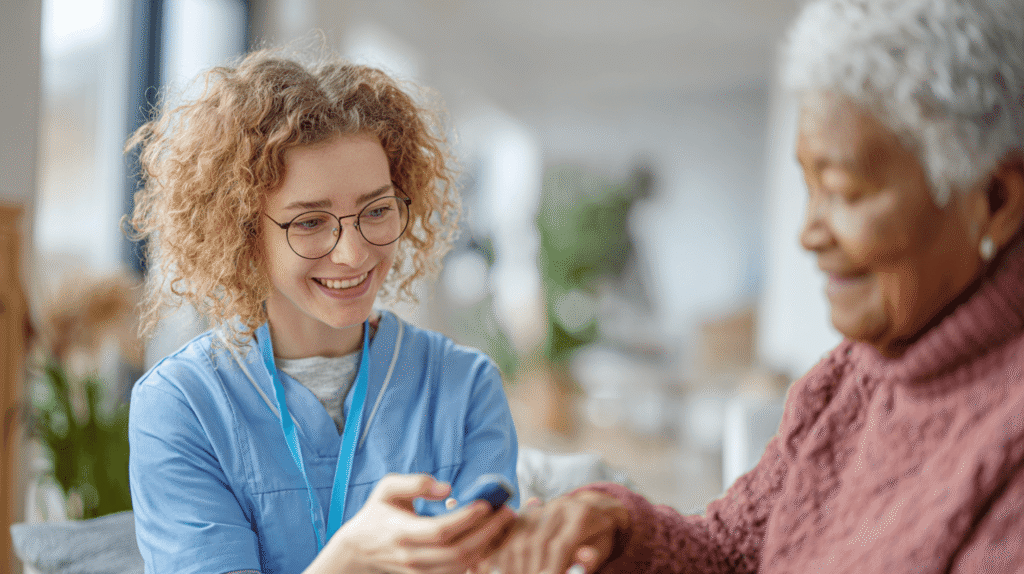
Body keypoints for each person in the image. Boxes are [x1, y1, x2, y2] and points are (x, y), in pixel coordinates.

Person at [478, 0, 1024, 572]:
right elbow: (732, 547)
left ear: (995, 200)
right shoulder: (848, 380)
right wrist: (615, 529)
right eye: (808, 186)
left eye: (844, 191)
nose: (809, 233)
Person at [125, 48, 519, 574]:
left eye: (376, 210)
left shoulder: (467, 388)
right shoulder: (181, 408)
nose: (353, 253)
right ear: (244, 231)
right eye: (310, 222)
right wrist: (348, 561)